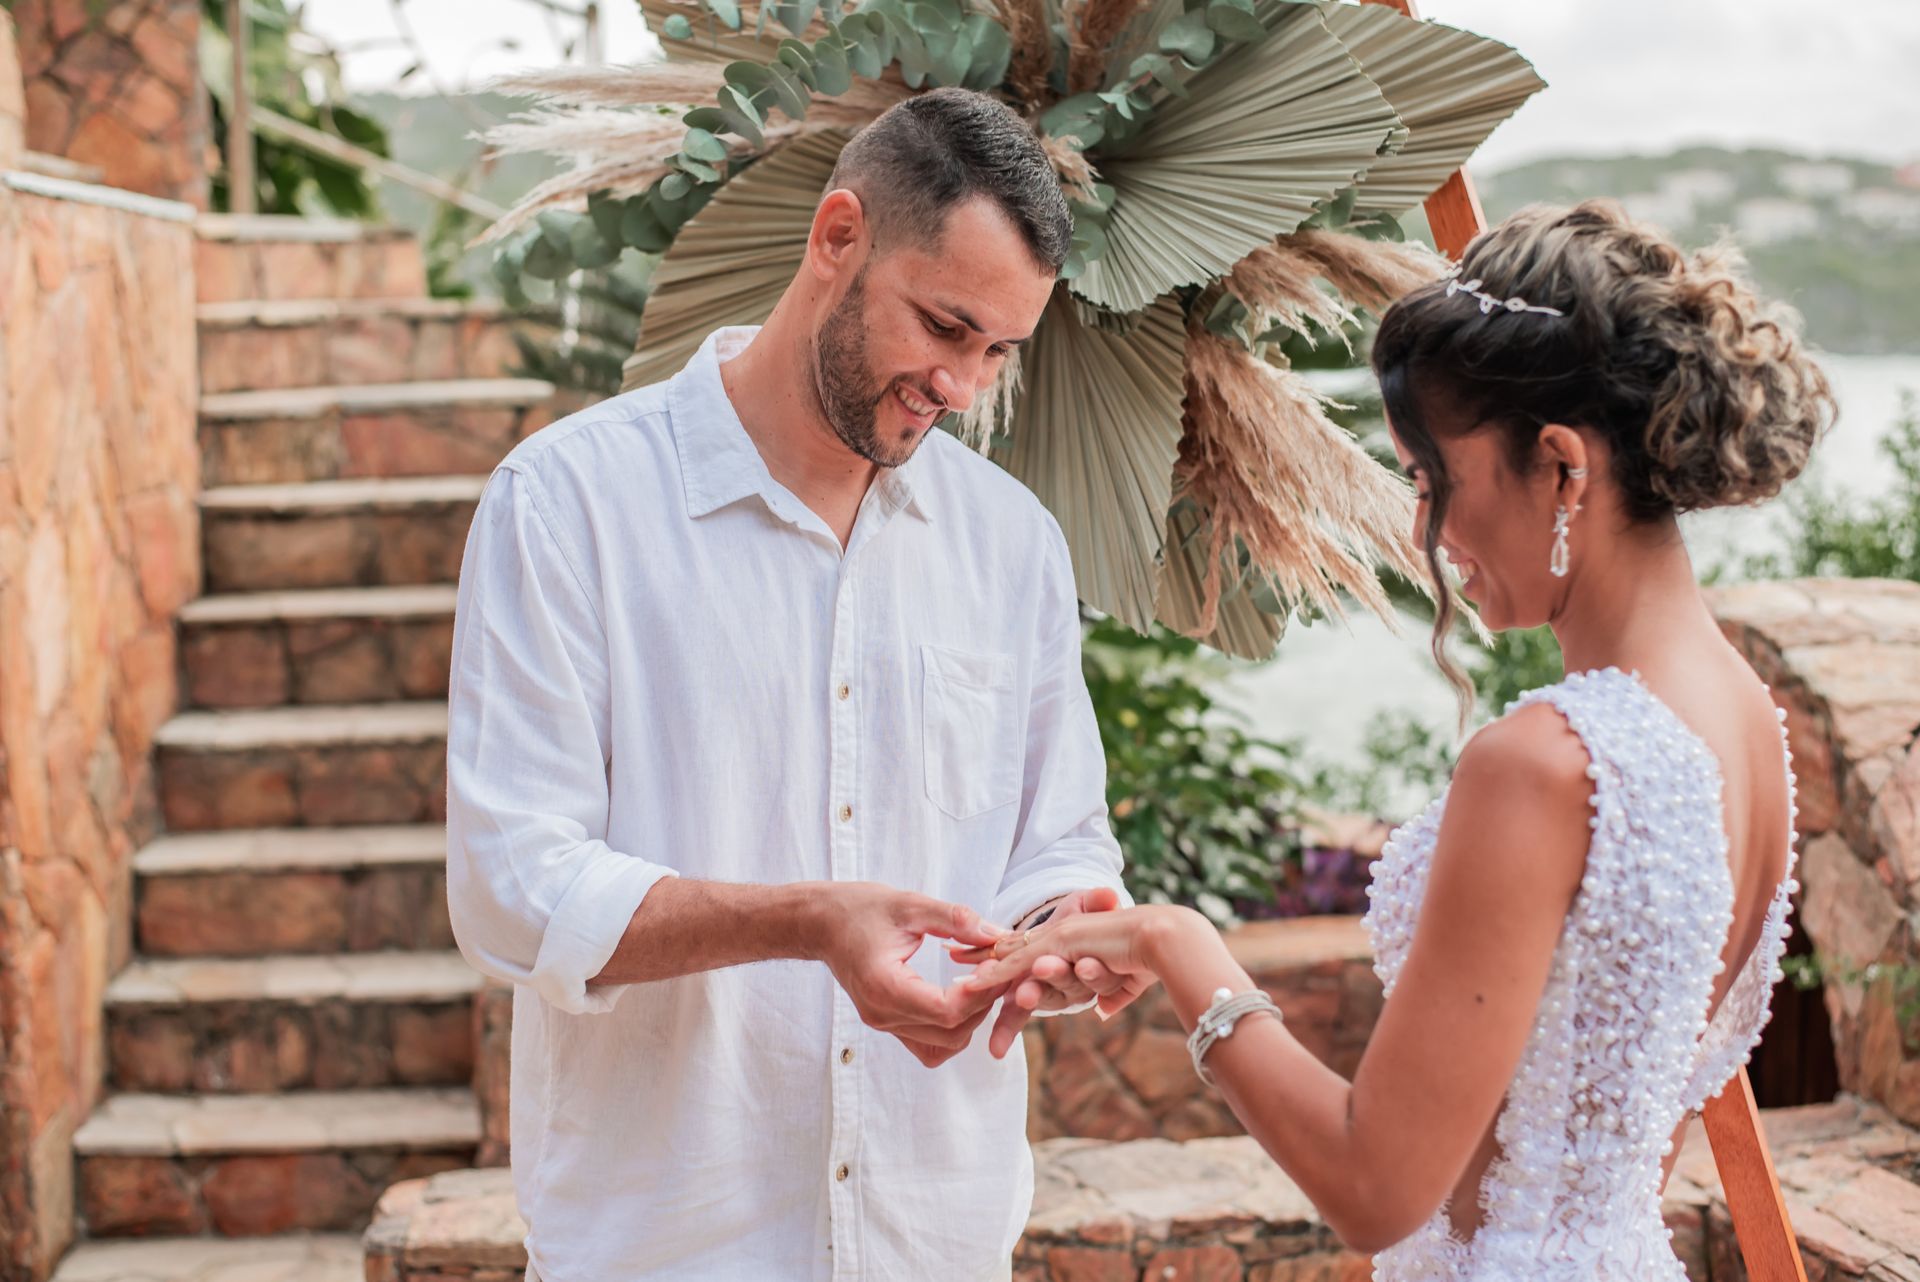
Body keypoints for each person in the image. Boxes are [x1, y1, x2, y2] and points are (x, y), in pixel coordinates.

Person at [967, 199, 1836, 1279]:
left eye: (1435, 483)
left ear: (1562, 465)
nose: (1429, 538)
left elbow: (1374, 1184)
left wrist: (1176, 946)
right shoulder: (1746, 720)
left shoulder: (1543, 765)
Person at [445, 87, 1139, 1282]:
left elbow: (1057, 835)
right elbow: (513, 887)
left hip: (940, 1236)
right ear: (837, 238)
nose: (962, 387)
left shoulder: (1013, 541)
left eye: (996, 352)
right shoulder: (569, 504)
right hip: (666, 1247)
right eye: (943, 325)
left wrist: (1061, 929)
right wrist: (806, 923)